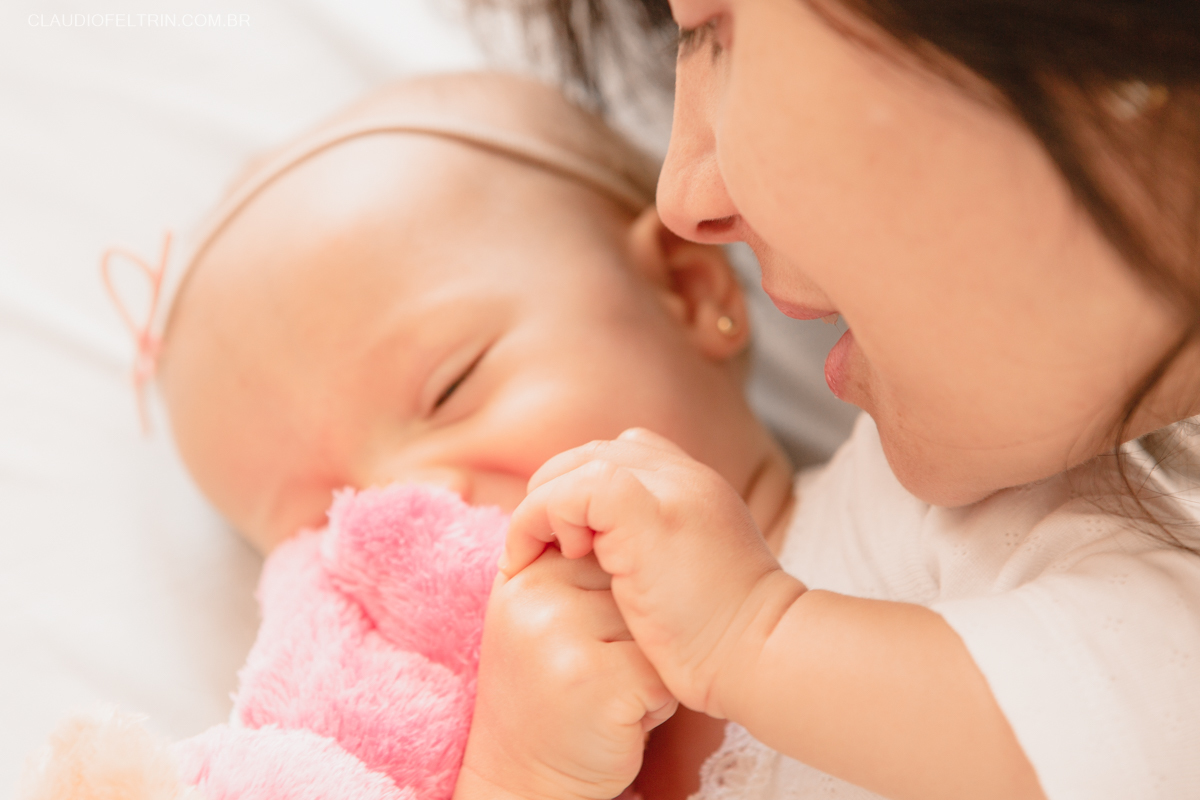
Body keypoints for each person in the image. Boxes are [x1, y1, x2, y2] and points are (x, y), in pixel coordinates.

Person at [489, 2, 1200, 800]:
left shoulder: (1015, 507)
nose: (684, 196)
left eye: (714, 35)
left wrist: (755, 637)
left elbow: (1146, 725)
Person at [155, 71, 792, 800]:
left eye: (450, 390)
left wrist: (749, 636)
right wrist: (520, 779)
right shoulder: (461, 774)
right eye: (322, 522)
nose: (407, 502)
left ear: (686, 290)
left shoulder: (919, 521)